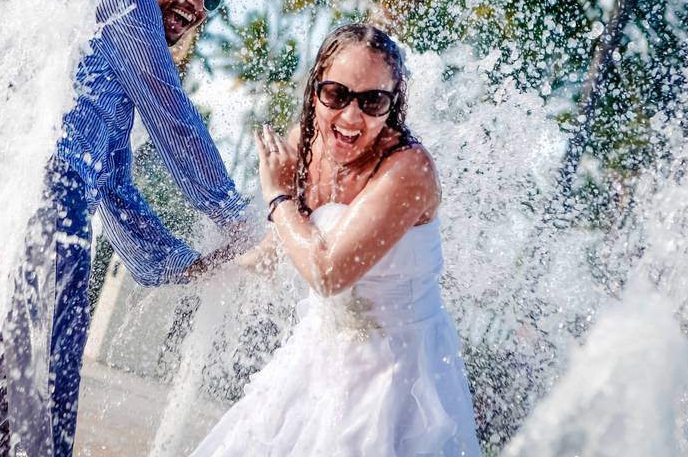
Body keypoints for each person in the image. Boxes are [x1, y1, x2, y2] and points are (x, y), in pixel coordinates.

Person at [0, 0, 252, 457]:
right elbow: (169, 111)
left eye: (210, 0)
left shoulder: (111, 72)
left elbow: (115, 188)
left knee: (18, 402)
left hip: (55, 223)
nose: (196, 6)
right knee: (33, 404)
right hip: (41, 211)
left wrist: (191, 264)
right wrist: (231, 211)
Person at [191, 24, 481, 456]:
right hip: (319, 352)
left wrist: (277, 195)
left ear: (392, 105)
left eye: (372, 101)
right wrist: (200, 268)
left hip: (399, 375)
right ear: (315, 91)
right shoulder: (306, 145)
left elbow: (327, 274)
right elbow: (278, 249)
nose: (349, 117)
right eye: (336, 94)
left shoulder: (408, 170)